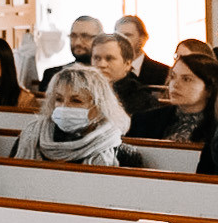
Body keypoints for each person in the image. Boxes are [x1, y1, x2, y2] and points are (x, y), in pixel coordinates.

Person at [11, 64, 142, 168]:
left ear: (99, 107)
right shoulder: (30, 138)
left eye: (76, 101)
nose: (64, 107)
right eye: (59, 99)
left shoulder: (122, 155)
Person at [128, 52, 218, 144]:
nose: (175, 85)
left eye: (186, 79)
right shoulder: (144, 120)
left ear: (209, 89)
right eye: (173, 77)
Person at [89, 32, 159, 121]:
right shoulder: (80, 92)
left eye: (109, 58)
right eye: (97, 58)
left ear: (127, 64)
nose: (102, 64)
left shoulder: (144, 101)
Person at [39, 15, 103, 80]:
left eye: (85, 36)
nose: (77, 42)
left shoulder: (107, 75)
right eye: (73, 36)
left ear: (100, 39)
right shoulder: (52, 75)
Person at [114, 15, 169, 87]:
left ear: (143, 39)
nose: (122, 40)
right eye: (118, 36)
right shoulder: (107, 71)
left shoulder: (164, 73)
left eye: (127, 35)